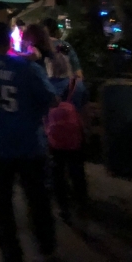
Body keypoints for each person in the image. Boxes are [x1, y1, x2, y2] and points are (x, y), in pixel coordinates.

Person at [0, 21, 58, 262]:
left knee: (1, 201)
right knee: (37, 198)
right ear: (10, 39)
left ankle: (11, 252)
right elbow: (52, 100)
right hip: (29, 144)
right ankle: (46, 246)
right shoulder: (27, 68)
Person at [47, 54, 89, 223]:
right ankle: (82, 205)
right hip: (74, 135)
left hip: (53, 136)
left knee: (57, 172)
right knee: (77, 170)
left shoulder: (46, 85)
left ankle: (63, 208)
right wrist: (86, 130)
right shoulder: (78, 85)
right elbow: (85, 111)